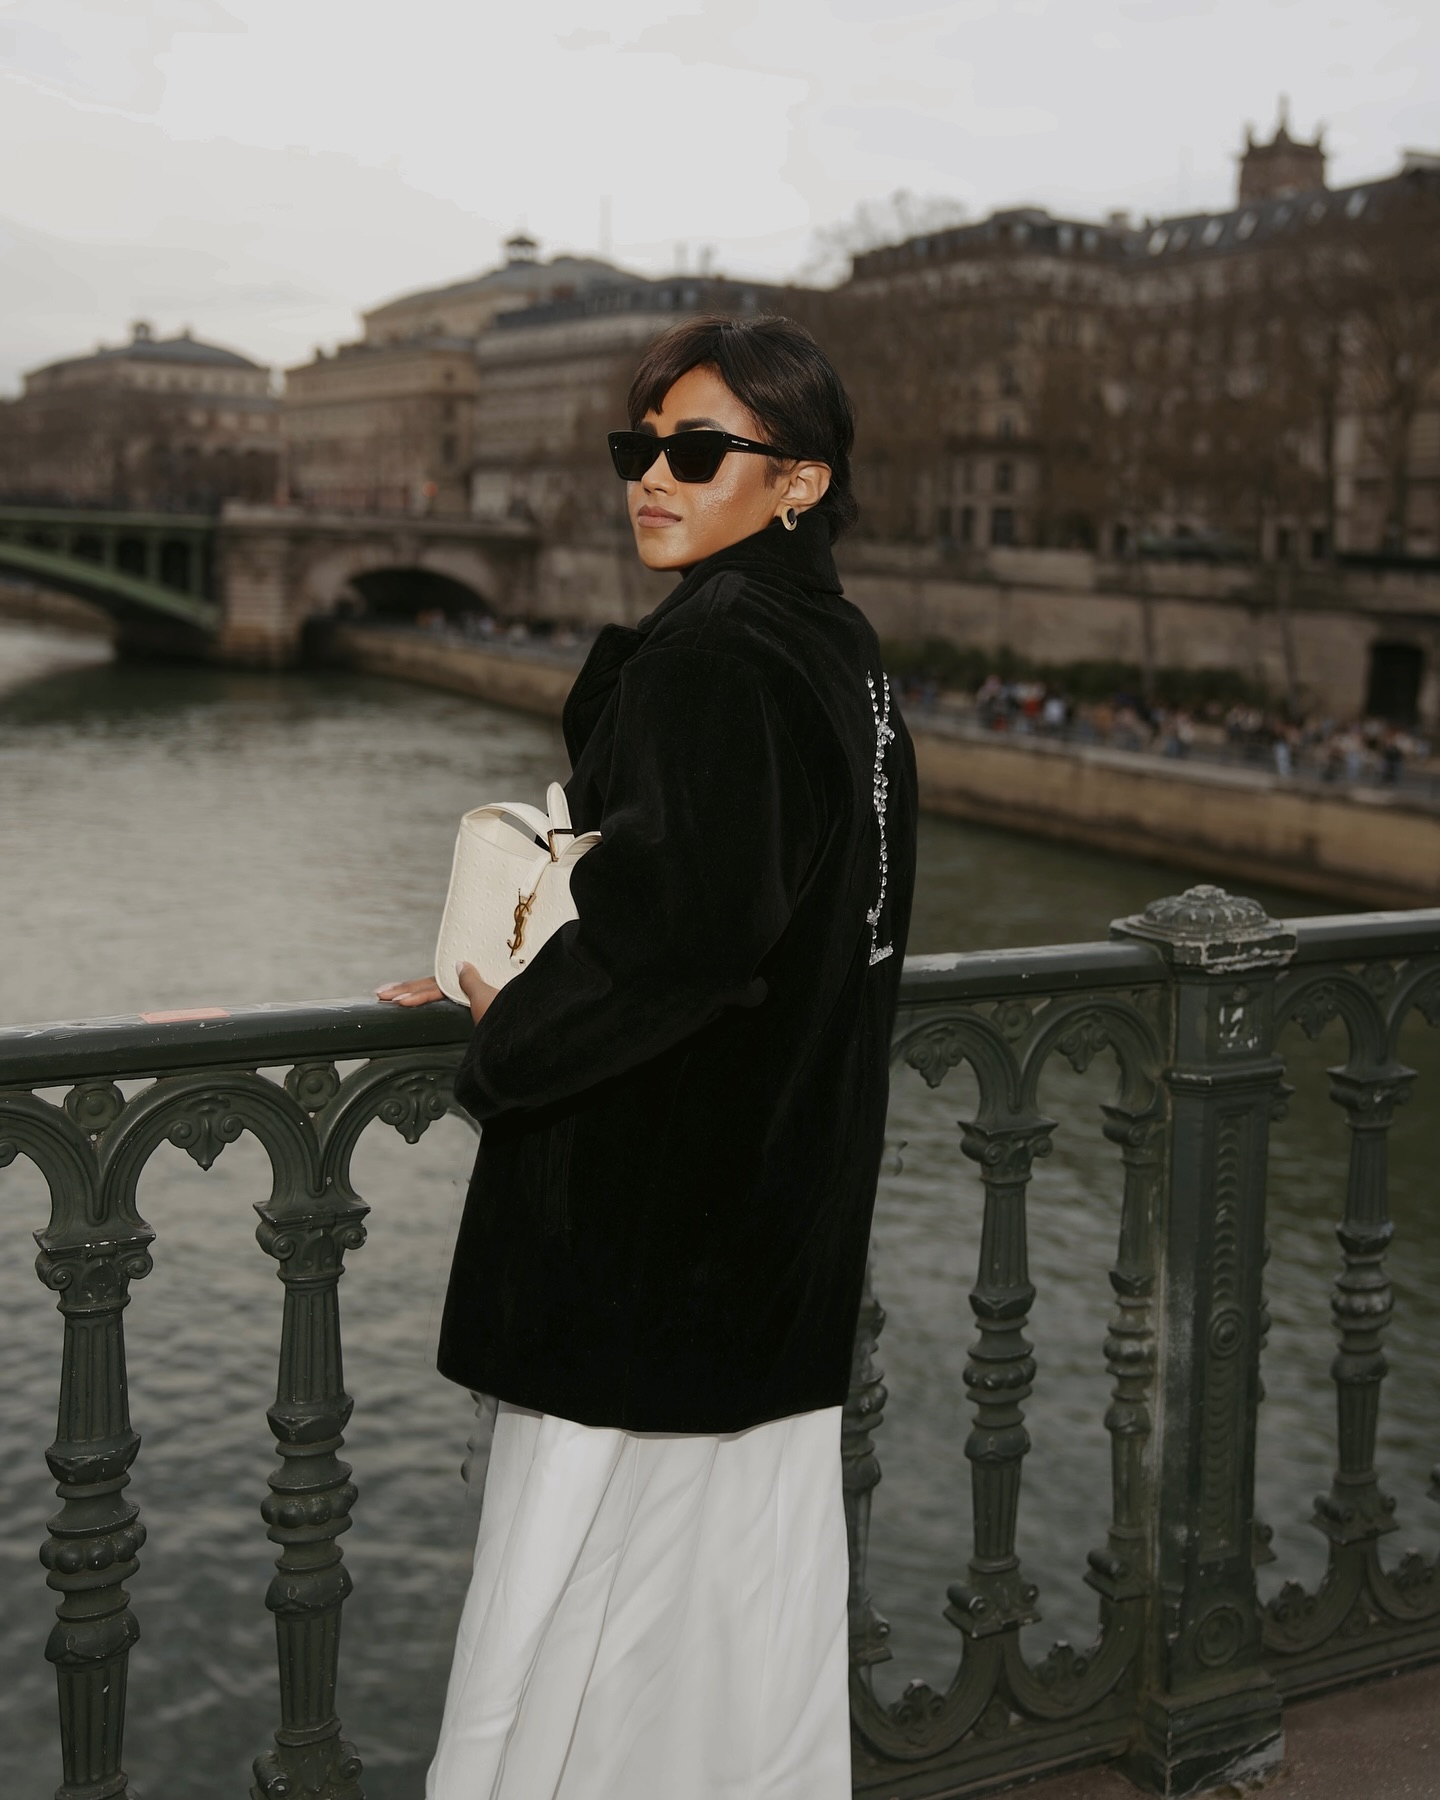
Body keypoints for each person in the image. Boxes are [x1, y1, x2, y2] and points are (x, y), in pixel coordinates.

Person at [376, 313, 919, 1800]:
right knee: (722, 1623)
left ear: (799, 481)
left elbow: (680, 934)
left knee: (563, 1615)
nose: (651, 479)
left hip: (649, 1232)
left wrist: (514, 1030)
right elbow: (777, 907)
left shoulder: (720, 654)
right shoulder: (840, 653)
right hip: (776, 1228)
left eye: (695, 451)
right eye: (641, 449)